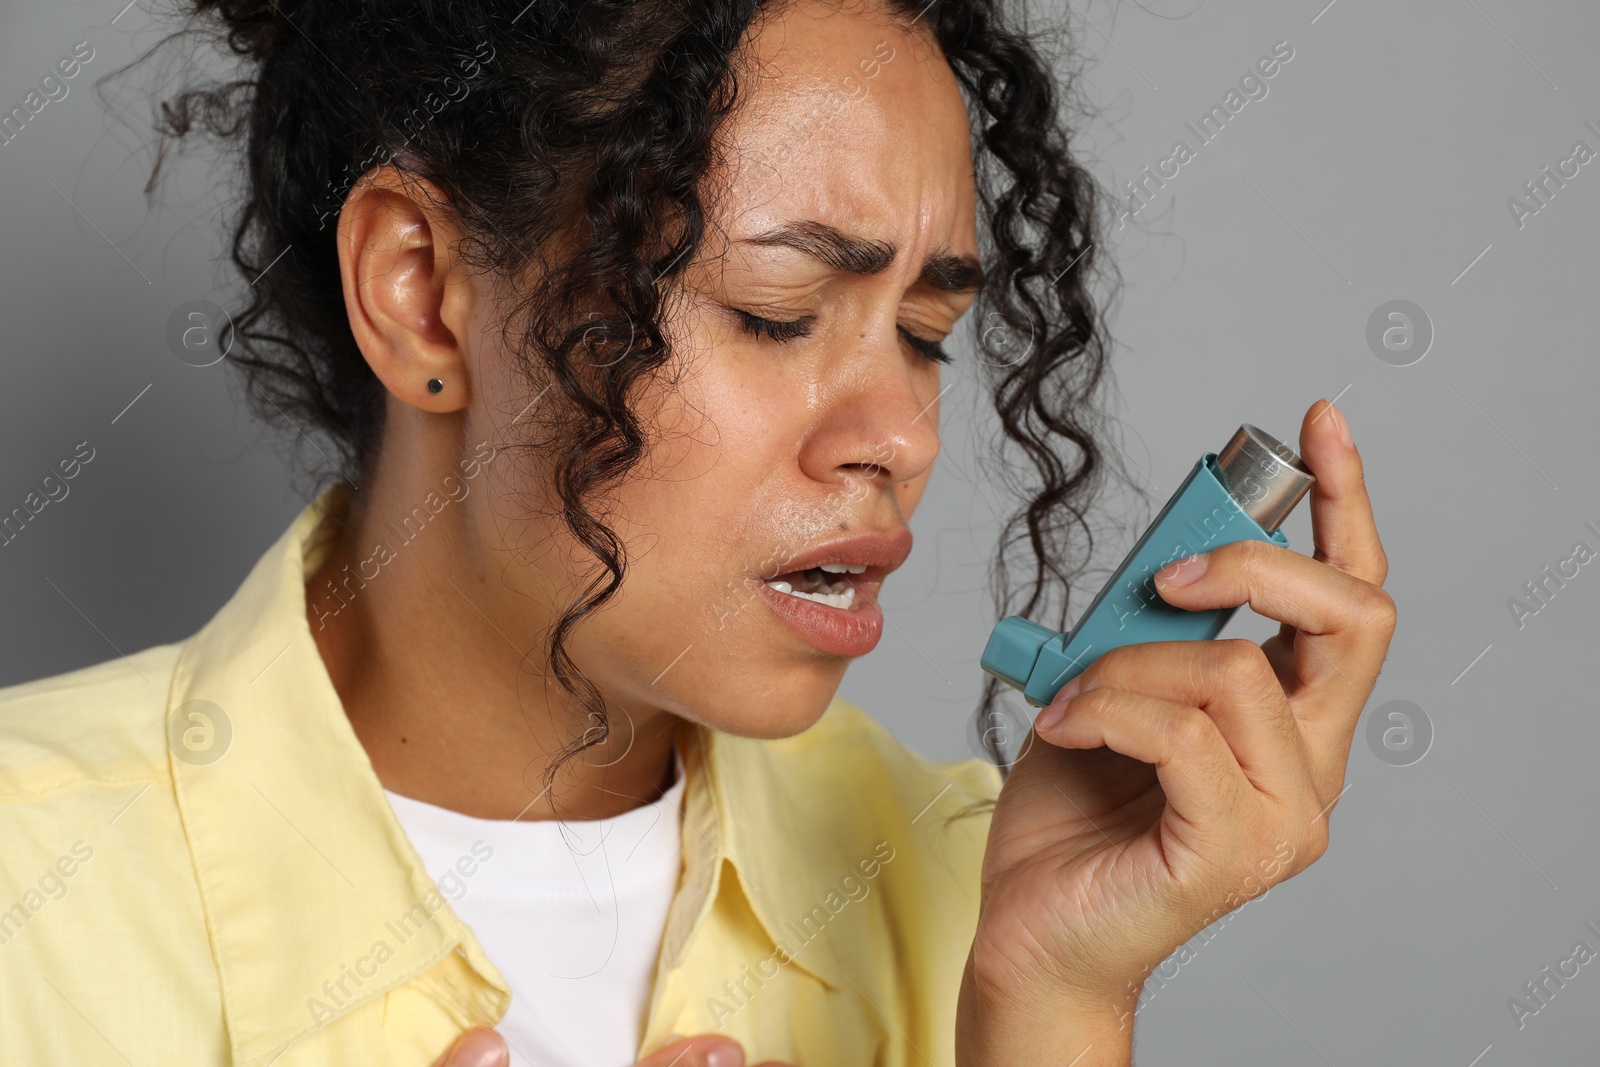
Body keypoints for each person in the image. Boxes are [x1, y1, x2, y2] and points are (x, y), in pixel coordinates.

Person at [0, 0, 1395, 1064]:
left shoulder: (971, 888)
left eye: (925, 335)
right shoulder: (32, 888)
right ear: (422, 297)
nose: (901, 438)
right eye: (777, 314)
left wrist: (1058, 998)